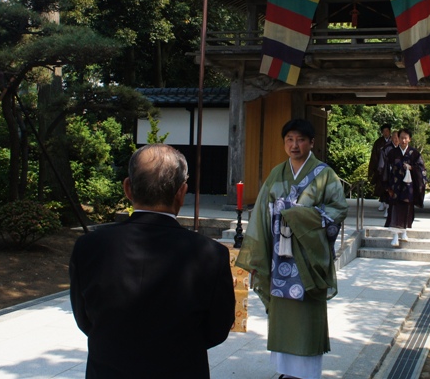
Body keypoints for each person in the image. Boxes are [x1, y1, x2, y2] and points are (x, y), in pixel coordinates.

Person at [69, 144, 235, 379]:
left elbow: (85, 319)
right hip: (182, 369)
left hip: (108, 370)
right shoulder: (210, 253)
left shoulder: (89, 247)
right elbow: (217, 328)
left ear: (128, 188)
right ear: (182, 191)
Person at [236, 118, 348, 379]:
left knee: (307, 310)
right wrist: (257, 255)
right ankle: (285, 371)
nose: (294, 145)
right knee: (282, 311)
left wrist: (300, 216)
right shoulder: (277, 173)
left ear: (311, 143)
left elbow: (338, 208)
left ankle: (307, 372)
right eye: (289, 139)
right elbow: (262, 213)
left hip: (308, 255)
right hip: (278, 255)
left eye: (300, 139)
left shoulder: (325, 174)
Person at [384, 128, 427, 247]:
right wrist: (387, 186)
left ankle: (404, 232)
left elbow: (422, 169)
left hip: (408, 186)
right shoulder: (392, 153)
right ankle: (395, 236)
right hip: (395, 185)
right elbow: (387, 170)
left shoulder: (414, 153)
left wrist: (412, 168)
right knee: (394, 209)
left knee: (407, 208)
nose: (403, 140)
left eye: (405, 138)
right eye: (401, 137)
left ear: (409, 139)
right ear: (398, 138)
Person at [368, 123, 392, 211]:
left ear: (390, 131)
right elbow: (374, 156)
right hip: (381, 167)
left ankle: (388, 203)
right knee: (381, 186)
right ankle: (382, 202)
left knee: (389, 186)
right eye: (384, 131)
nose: (386, 133)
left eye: (387, 131)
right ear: (382, 132)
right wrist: (372, 170)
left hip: (390, 167)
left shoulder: (393, 141)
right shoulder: (378, 142)